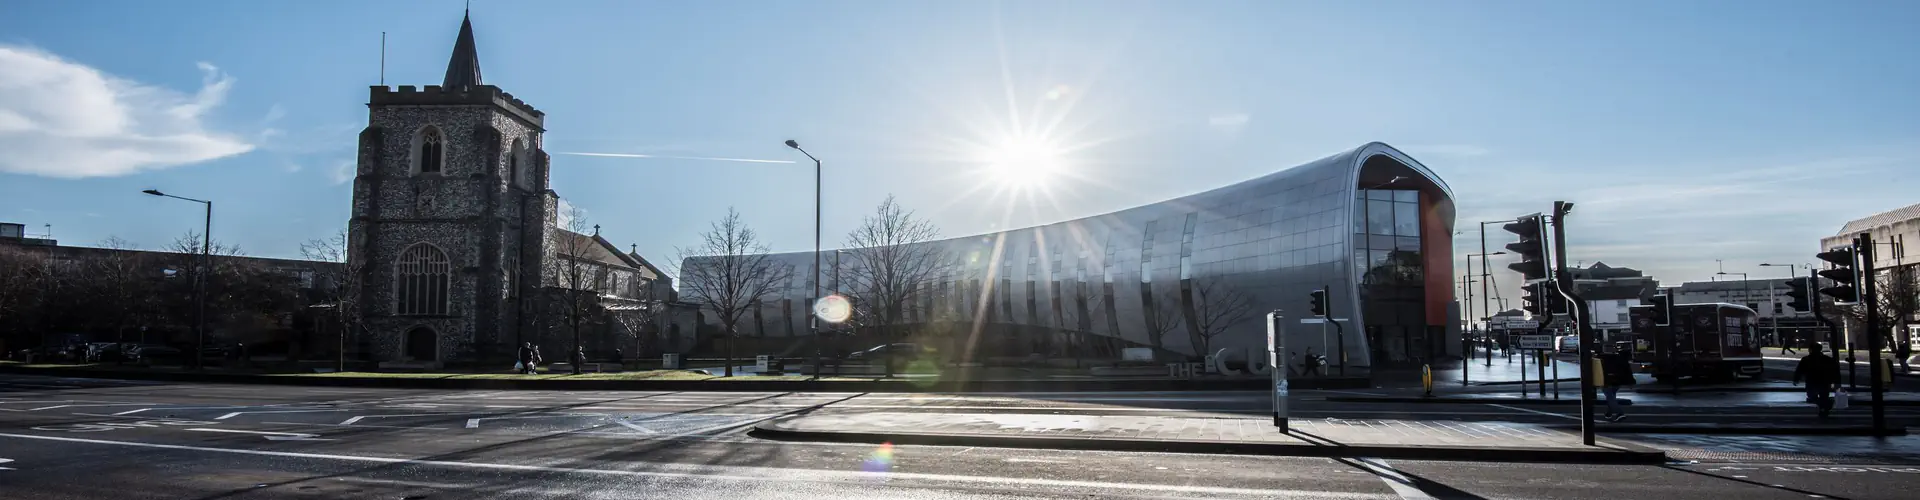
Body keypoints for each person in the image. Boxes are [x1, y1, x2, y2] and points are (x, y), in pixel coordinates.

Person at [1793, 343, 1841, 417]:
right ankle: (1825, 407)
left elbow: (1799, 370)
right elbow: (1835, 371)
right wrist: (1836, 381)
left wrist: (1796, 379)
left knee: (1813, 396)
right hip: (1824, 381)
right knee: (1822, 397)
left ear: (1810, 350)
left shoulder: (1806, 359)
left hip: (1813, 381)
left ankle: (1824, 407)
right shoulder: (1827, 359)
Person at [1599, 341, 1636, 421]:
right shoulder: (1619, 357)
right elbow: (1627, 370)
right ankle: (1609, 413)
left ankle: (1620, 413)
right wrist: (1631, 382)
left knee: (1610, 396)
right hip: (1617, 380)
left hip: (1606, 380)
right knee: (1611, 396)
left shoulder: (1601, 358)